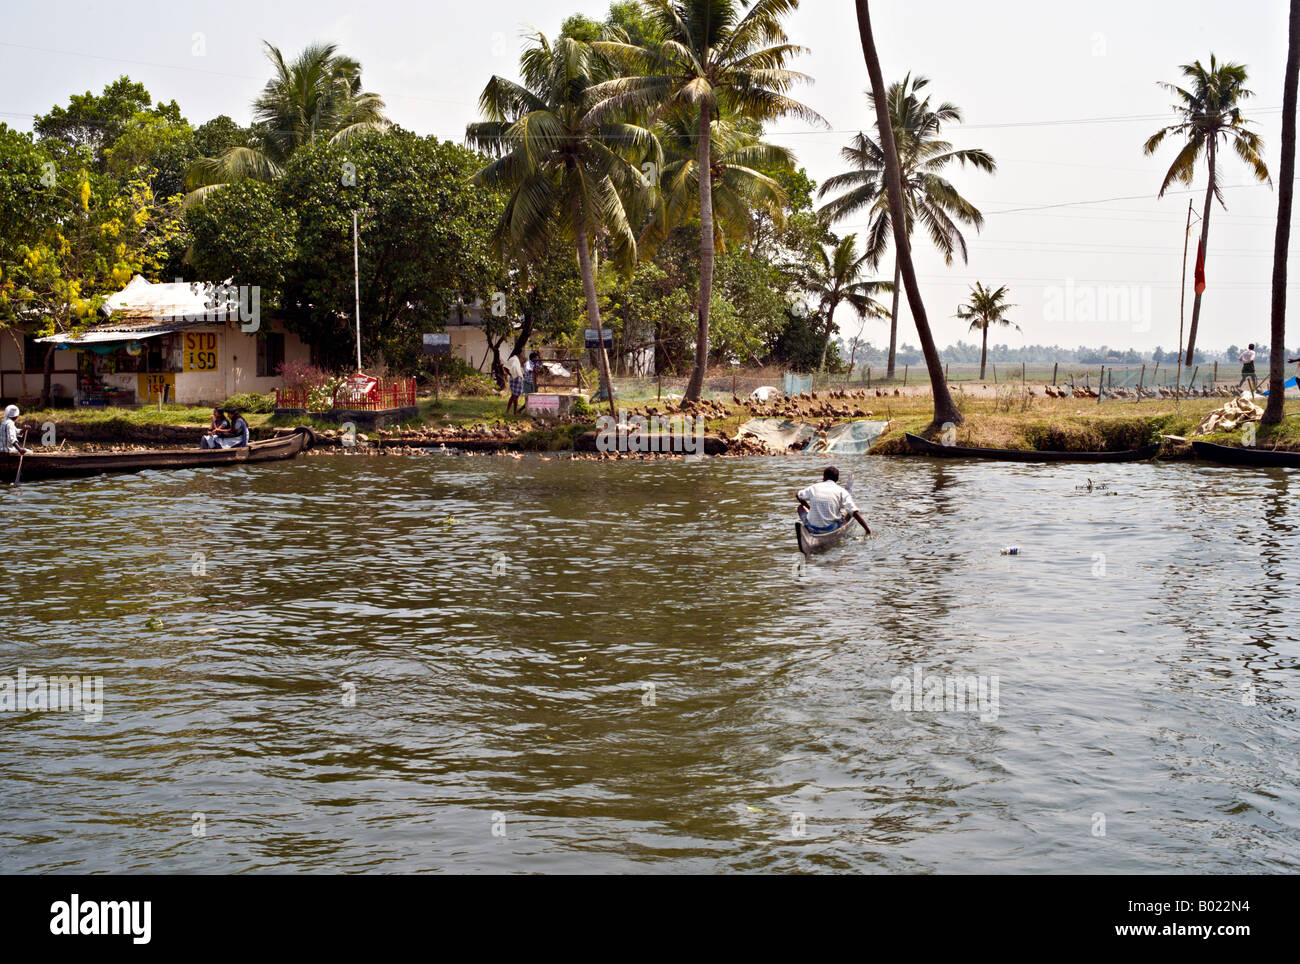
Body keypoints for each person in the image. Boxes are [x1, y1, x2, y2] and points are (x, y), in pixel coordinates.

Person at [797, 466, 869, 534]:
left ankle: (810, 531)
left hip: (812, 527)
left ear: (824, 477)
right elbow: (854, 512)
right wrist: (868, 531)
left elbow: (798, 495)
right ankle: (842, 526)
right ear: (837, 479)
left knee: (800, 507)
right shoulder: (841, 491)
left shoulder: (813, 487)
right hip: (830, 528)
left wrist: (808, 507)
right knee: (849, 512)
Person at [505, 351, 525, 415]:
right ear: (519, 353)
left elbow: (506, 367)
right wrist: (511, 374)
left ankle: (508, 411)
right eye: (521, 353)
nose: (522, 355)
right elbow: (507, 367)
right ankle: (514, 412)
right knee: (515, 396)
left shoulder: (514, 359)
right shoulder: (514, 359)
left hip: (515, 377)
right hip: (516, 378)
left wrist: (510, 374)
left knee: (514, 395)